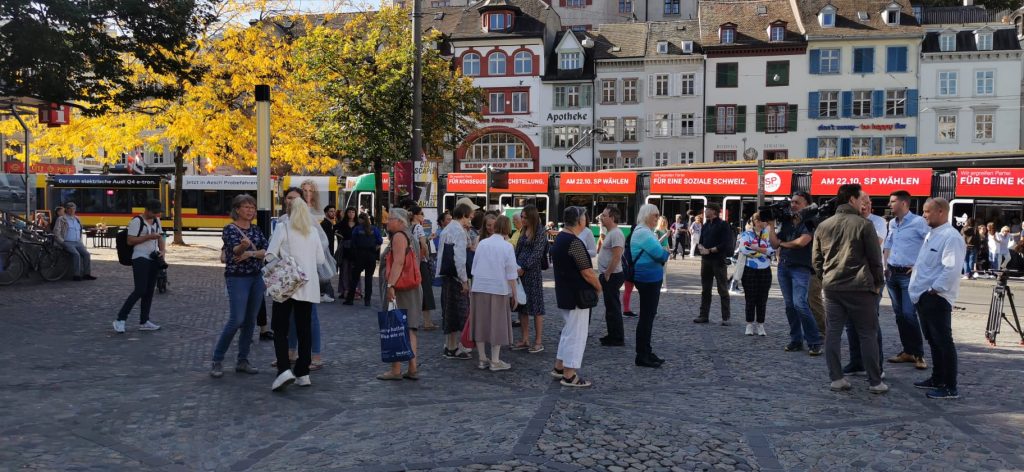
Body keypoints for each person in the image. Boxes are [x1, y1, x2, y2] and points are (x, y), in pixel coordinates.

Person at [813, 184, 887, 394]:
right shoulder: (863, 225)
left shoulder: (823, 225)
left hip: (833, 286)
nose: (864, 203)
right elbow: (875, 259)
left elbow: (817, 260)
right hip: (860, 286)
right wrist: (877, 283)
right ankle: (875, 381)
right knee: (867, 333)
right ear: (852, 200)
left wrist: (825, 277)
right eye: (861, 199)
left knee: (833, 332)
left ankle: (836, 378)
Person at [267, 188, 325, 391]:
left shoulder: (283, 228)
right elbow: (320, 260)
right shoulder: (313, 232)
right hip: (308, 286)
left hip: (286, 285)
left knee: (280, 329)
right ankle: (303, 372)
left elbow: (270, 254)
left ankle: (284, 369)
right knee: (304, 329)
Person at [909, 198, 966, 400]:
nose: (923, 215)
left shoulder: (951, 237)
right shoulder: (932, 234)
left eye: (927, 211)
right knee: (933, 341)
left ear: (941, 211)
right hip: (923, 296)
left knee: (943, 342)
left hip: (937, 297)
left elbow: (951, 268)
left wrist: (934, 289)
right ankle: (937, 378)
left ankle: (950, 386)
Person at [210, 194, 266, 378]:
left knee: (250, 320)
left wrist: (249, 253)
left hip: (257, 278)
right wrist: (243, 248)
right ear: (237, 209)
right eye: (246, 207)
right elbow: (233, 251)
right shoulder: (230, 229)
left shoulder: (257, 229)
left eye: (252, 207)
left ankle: (243, 360)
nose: (250, 210)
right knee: (237, 319)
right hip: (238, 278)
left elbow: (266, 251)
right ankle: (217, 359)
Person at [550, 206, 601, 387]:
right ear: (580, 221)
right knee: (576, 335)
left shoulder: (560, 239)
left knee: (568, 331)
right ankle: (569, 374)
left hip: (565, 293)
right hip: (577, 295)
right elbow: (587, 271)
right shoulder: (574, 242)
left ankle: (559, 367)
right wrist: (598, 286)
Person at [768, 192, 822, 355]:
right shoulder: (787, 221)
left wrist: (783, 244)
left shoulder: (810, 221)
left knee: (800, 304)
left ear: (807, 204)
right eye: (792, 202)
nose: (793, 205)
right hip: (784, 267)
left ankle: (814, 341)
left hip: (800, 268)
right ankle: (796, 340)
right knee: (790, 306)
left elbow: (802, 242)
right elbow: (774, 243)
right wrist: (771, 226)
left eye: (797, 202)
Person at [884, 190, 930, 370]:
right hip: (892, 274)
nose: (889, 204)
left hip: (908, 275)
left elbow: (930, 243)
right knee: (900, 315)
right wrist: (885, 265)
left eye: (893, 201)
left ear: (904, 203)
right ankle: (908, 351)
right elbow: (888, 244)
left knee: (909, 314)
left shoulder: (919, 222)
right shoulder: (892, 223)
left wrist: (919, 265)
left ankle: (919, 354)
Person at [377, 207, 424, 380]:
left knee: (395, 326)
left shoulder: (398, 236)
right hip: (412, 287)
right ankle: (412, 368)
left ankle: (395, 369)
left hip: (400, 288)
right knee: (410, 327)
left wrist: (390, 285)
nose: (387, 221)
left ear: (400, 222)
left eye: (390, 219)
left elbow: (398, 263)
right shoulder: (410, 236)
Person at [843, 192, 887, 377]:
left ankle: (877, 366)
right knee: (851, 323)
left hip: (871, 278)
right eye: (862, 202)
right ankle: (857, 362)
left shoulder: (877, 222)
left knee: (870, 324)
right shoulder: (848, 220)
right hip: (850, 277)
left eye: (868, 203)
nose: (866, 206)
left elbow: (874, 244)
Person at [470, 215, 519, 372]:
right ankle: (495, 360)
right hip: (498, 289)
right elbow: (511, 274)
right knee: (497, 324)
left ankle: (482, 359)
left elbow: (474, 268)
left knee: (480, 323)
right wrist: (515, 295)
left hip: (479, 287)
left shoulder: (483, 243)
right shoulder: (507, 247)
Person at [113, 199, 165, 333]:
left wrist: (162, 252)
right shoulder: (136, 221)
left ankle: (144, 321)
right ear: (147, 210)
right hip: (140, 258)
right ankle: (120, 319)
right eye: (153, 213)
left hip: (154, 258)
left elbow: (160, 237)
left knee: (149, 291)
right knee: (140, 290)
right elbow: (130, 241)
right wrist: (148, 237)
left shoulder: (157, 220)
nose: (155, 216)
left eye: (157, 214)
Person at [631, 204, 670, 367]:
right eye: (655, 215)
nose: (657, 218)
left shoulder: (644, 232)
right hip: (647, 279)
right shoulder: (644, 233)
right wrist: (665, 252)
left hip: (649, 278)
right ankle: (642, 355)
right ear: (647, 215)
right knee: (646, 318)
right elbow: (661, 254)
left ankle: (646, 350)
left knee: (648, 316)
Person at [437, 203, 473, 360]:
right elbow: (459, 259)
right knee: (457, 312)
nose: (470, 221)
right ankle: (452, 348)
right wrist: (464, 280)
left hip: (447, 276)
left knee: (449, 311)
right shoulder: (458, 231)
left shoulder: (448, 228)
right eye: (469, 217)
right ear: (463, 215)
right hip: (455, 277)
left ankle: (449, 345)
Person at [513, 205, 548, 353]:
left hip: (532, 274)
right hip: (520, 273)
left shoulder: (540, 232)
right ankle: (525, 338)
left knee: (536, 307)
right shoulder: (523, 230)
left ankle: (538, 341)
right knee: (523, 307)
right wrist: (514, 265)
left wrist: (524, 268)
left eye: (525, 217)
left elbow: (537, 254)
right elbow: (518, 250)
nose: (522, 219)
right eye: (522, 216)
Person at [695, 203, 733, 325]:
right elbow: (700, 241)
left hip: (718, 260)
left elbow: (726, 243)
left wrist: (711, 250)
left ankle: (725, 317)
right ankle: (703, 315)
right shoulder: (705, 225)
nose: (705, 211)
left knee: (722, 289)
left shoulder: (723, 225)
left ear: (714, 211)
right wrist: (700, 247)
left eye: (707, 210)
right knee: (705, 289)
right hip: (705, 260)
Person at [739, 214, 773, 336]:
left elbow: (772, 250)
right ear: (753, 222)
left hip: (765, 269)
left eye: (762, 220)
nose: (760, 223)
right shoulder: (746, 234)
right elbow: (744, 249)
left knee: (762, 298)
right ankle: (749, 324)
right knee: (750, 298)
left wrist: (756, 248)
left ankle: (760, 324)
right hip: (750, 269)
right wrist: (763, 251)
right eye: (757, 221)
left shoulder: (769, 235)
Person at [598, 206, 626, 347]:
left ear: (612, 218)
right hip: (609, 275)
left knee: (613, 307)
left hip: (612, 275)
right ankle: (612, 335)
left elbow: (616, 256)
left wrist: (607, 273)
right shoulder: (610, 232)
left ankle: (617, 338)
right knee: (610, 307)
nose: (601, 218)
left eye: (604, 215)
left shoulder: (616, 233)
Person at [344, 213, 382, 306]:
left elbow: (353, 242)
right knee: (369, 278)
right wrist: (374, 249)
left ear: (361, 220)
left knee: (354, 278)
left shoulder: (357, 229)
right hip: (371, 256)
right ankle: (367, 301)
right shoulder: (374, 229)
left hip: (359, 256)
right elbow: (380, 241)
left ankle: (350, 299)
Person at [53, 202, 96, 281]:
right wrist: (62, 242)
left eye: (73, 209)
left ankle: (87, 274)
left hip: (77, 242)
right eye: (70, 209)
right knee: (76, 255)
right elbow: (56, 232)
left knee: (86, 254)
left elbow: (79, 231)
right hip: (67, 242)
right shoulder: (62, 219)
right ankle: (76, 275)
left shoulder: (77, 219)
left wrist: (80, 241)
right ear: (67, 209)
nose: (72, 210)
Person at [411, 206, 437, 331]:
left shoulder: (408, 227)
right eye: (421, 213)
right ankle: (427, 322)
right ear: (416, 215)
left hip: (411, 263)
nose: (423, 216)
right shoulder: (419, 227)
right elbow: (423, 245)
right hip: (420, 262)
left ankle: (412, 320)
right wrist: (427, 256)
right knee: (426, 291)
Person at [336, 207, 358, 298]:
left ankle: (355, 291)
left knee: (354, 271)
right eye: (349, 212)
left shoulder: (358, 224)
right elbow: (335, 231)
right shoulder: (342, 223)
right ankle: (345, 290)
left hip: (356, 249)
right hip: (345, 249)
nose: (351, 214)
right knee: (344, 270)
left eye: (353, 212)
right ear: (346, 213)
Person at [320, 205, 338, 302]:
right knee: (326, 272)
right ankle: (327, 293)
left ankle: (326, 293)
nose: (333, 213)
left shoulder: (330, 224)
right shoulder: (325, 224)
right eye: (331, 211)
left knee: (327, 272)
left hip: (329, 252)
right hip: (325, 253)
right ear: (326, 213)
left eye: (334, 211)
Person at [655, 216, 670, 292]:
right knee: (661, 269)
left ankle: (663, 285)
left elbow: (666, 242)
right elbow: (657, 242)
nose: (664, 223)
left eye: (665, 222)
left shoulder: (665, 230)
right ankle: (663, 286)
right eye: (663, 222)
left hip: (665, 250)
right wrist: (665, 236)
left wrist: (669, 249)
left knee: (664, 269)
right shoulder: (657, 231)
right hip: (660, 250)